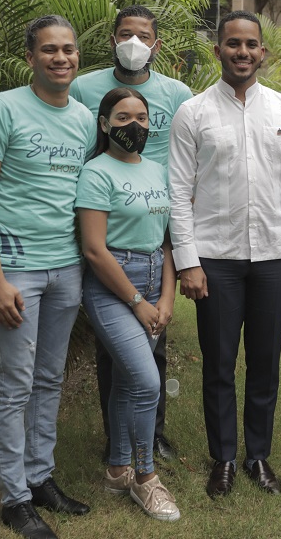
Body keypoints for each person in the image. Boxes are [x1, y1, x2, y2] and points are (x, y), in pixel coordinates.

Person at [168, 11, 281, 498]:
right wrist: (187, 260)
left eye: (251, 44)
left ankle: (258, 455)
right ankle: (225, 458)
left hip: (274, 255)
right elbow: (177, 192)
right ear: (218, 50)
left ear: (263, 52)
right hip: (215, 257)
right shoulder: (193, 113)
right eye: (232, 43)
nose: (242, 52)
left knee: (265, 361)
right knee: (218, 362)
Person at [0, 15, 95, 539]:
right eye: (49, 50)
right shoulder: (2, 108)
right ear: (30, 58)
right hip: (16, 267)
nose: (60, 58)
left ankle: (40, 477)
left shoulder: (86, 119)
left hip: (67, 267)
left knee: (49, 377)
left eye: (67, 50)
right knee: (15, 383)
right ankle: (14, 498)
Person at [71, 5, 192, 463]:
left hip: (155, 218)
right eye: (126, 34)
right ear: (112, 40)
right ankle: (117, 440)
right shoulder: (84, 88)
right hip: (109, 216)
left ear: (156, 45)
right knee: (115, 349)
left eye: (144, 36)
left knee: (153, 345)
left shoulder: (177, 94)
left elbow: (187, 153)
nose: (134, 43)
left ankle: (152, 434)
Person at [76, 87, 180, 522]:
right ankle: (146, 478)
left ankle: (118, 469)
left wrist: (167, 297)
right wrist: (138, 301)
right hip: (114, 287)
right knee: (147, 381)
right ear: (104, 124)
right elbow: (95, 249)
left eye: (141, 117)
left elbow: (168, 241)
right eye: (122, 118)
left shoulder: (157, 170)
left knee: (125, 381)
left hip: (157, 282)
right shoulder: (96, 173)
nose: (133, 125)